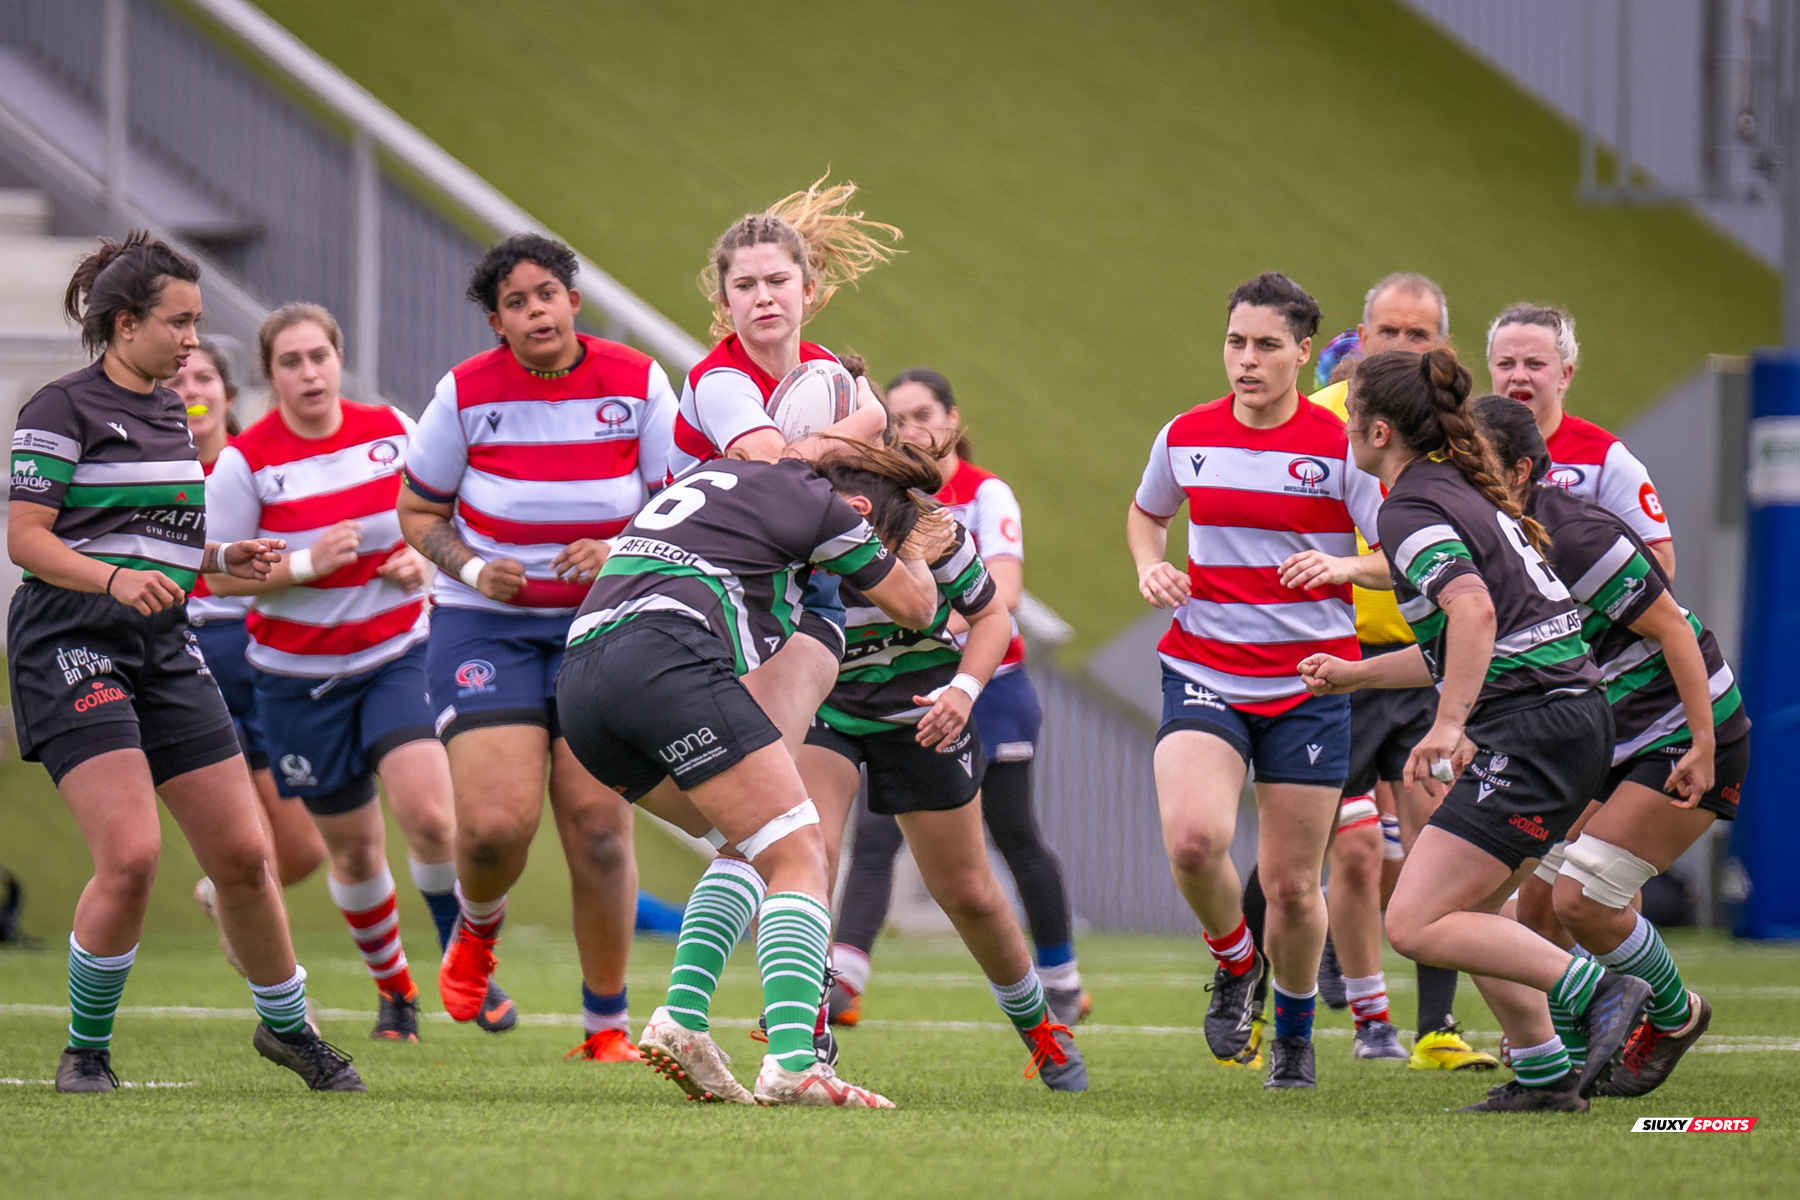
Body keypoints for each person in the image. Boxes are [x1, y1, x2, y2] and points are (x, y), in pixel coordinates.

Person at [6, 231, 361, 1092]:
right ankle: (86, 1051)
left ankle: (288, 1029)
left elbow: (157, 546)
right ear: (126, 324)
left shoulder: (174, 414)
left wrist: (224, 559)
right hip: (69, 641)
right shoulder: (58, 408)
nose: (194, 341)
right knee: (132, 857)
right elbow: (27, 540)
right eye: (180, 322)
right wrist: (114, 579)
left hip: (161, 642)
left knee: (243, 855)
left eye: (197, 322)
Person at [1298, 347, 1651, 1113]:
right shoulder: (1456, 489)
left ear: (1380, 432)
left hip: (1536, 728)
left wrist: (1448, 726)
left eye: (1350, 414)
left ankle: (1598, 994)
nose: (1342, 427)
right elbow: (1466, 640)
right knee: (1470, 911)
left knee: (1415, 921)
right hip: (1566, 719)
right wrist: (1358, 674)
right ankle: (1545, 1074)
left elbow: (1475, 612)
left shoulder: (1407, 509)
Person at [555, 443, 944, 1107]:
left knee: (750, 839)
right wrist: (912, 546)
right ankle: (795, 1064)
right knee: (800, 852)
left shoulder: (718, 473)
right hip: (665, 659)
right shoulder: (823, 505)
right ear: (857, 509)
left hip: (581, 685)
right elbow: (915, 608)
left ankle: (683, 1019)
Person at [399, 233, 675, 1059]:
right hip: (484, 626)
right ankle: (477, 929)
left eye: (546, 294)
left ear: (573, 301)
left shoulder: (638, 382)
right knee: (493, 829)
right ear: (498, 324)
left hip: (603, 624)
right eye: (515, 304)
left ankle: (605, 1026)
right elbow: (418, 512)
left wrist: (618, 548)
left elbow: (682, 504)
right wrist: (473, 569)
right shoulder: (464, 393)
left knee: (599, 829)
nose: (535, 312)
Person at [1126, 271, 1387, 1089]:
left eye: (1267, 345)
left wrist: (1343, 565)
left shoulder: (1342, 445)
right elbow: (1147, 513)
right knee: (1193, 841)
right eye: (1236, 342)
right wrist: (1150, 564)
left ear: (1303, 354)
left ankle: (1295, 1038)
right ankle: (1237, 962)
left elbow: (1399, 557)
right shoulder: (1186, 434)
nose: (1247, 359)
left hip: (1311, 684)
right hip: (1203, 666)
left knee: (1292, 888)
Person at [1475, 395, 1745, 1097]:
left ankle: (1676, 1015)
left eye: (1475, 459)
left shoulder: (1575, 535)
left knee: (1583, 898)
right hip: (1604, 736)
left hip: (1681, 730)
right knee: (1535, 906)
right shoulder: (1496, 540)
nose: (1459, 472)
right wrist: (1355, 672)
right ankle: (1566, 1068)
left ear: (1521, 471)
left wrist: (1705, 744)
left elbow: (1675, 629)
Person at [205, 304, 455, 1044]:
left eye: (320, 356)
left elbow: (439, 518)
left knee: (432, 817)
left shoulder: (391, 430)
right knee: (352, 849)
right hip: (296, 680)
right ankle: (396, 992)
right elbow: (215, 577)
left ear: (339, 359)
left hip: (396, 655)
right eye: (291, 361)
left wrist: (421, 559)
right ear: (270, 374)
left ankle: (463, 958)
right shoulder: (246, 463)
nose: (309, 373)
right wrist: (307, 564)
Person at [829, 367, 1091, 1030]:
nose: (910, 429)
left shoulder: (982, 494)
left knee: (1011, 833)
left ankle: (1061, 980)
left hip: (990, 686)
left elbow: (1003, 596)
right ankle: (842, 981)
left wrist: (926, 622)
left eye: (923, 415)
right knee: (873, 834)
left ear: (952, 419)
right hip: (897, 690)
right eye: (897, 419)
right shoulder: (869, 497)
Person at [1297, 274, 1497, 1070]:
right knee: (1312, 847)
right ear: (1362, 336)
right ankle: (1256, 977)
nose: (1405, 347)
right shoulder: (1320, 420)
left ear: (1442, 346)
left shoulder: (1454, 438)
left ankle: (1435, 1028)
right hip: (1339, 662)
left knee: (1434, 841)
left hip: (1423, 665)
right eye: (1391, 332)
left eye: (1421, 336)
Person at [176, 340, 329, 984]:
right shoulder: (150, 474)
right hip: (189, 664)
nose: (190, 392)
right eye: (176, 381)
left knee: (304, 850)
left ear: (229, 394)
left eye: (203, 379)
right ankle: (287, 1002)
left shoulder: (258, 466)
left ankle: (223, 896)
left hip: (263, 661)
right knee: (254, 849)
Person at [1486, 303, 1674, 579]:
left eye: (1535, 364)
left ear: (1565, 375)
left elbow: (1662, 564)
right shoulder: (1464, 450)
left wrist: (1581, 581)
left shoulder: (1603, 456)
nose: (1519, 376)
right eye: (1505, 364)